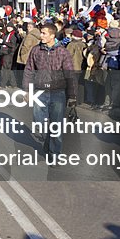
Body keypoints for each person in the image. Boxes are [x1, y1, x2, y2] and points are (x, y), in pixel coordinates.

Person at [23, 23, 77, 159]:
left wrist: (72, 96)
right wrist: (27, 90)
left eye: (44, 33)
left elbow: (70, 74)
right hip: (40, 92)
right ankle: (47, 140)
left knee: (56, 126)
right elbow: (29, 70)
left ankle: (55, 154)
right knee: (39, 124)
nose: (41, 35)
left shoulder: (62, 52)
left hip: (58, 93)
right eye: (41, 33)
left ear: (52, 36)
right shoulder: (36, 50)